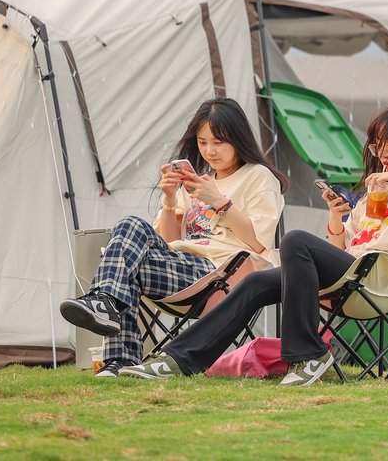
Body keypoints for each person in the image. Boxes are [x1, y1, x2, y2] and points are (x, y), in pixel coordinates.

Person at [119, 104, 388, 387]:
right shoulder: (374, 194)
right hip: (351, 276)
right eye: (379, 145)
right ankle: (178, 359)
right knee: (256, 283)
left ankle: (308, 354)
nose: (384, 154)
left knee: (295, 240)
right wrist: (337, 220)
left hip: (380, 281)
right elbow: (344, 248)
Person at [61, 98, 287, 377]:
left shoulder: (258, 177)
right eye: (202, 142)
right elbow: (167, 242)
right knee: (130, 231)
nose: (209, 151)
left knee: (124, 261)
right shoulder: (197, 181)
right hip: (181, 267)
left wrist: (219, 202)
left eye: (218, 142)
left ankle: (105, 311)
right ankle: (117, 349)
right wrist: (169, 199)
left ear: (238, 139)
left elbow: (259, 243)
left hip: (223, 274)